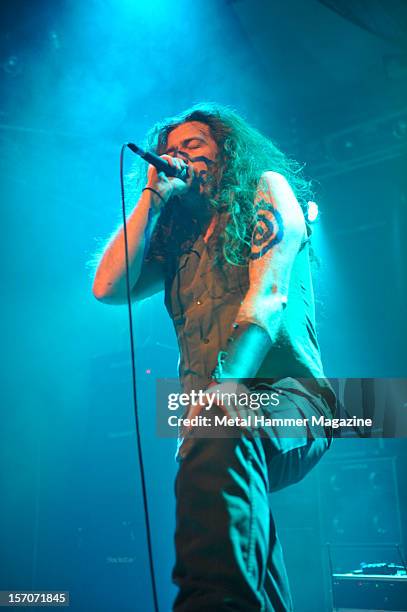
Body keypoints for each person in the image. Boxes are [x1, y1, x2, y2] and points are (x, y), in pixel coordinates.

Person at [92, 103, 336, 611]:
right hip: (213, 420)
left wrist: (220, 398)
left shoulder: (266, 190)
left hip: (292, 399)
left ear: (226, 154)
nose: (176, 158)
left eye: (192, 147)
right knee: (239, 541)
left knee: (225, 464)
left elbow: (269, 299)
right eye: (169, 152)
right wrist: (152, 197)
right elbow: (107, 287)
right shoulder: (176, 242)